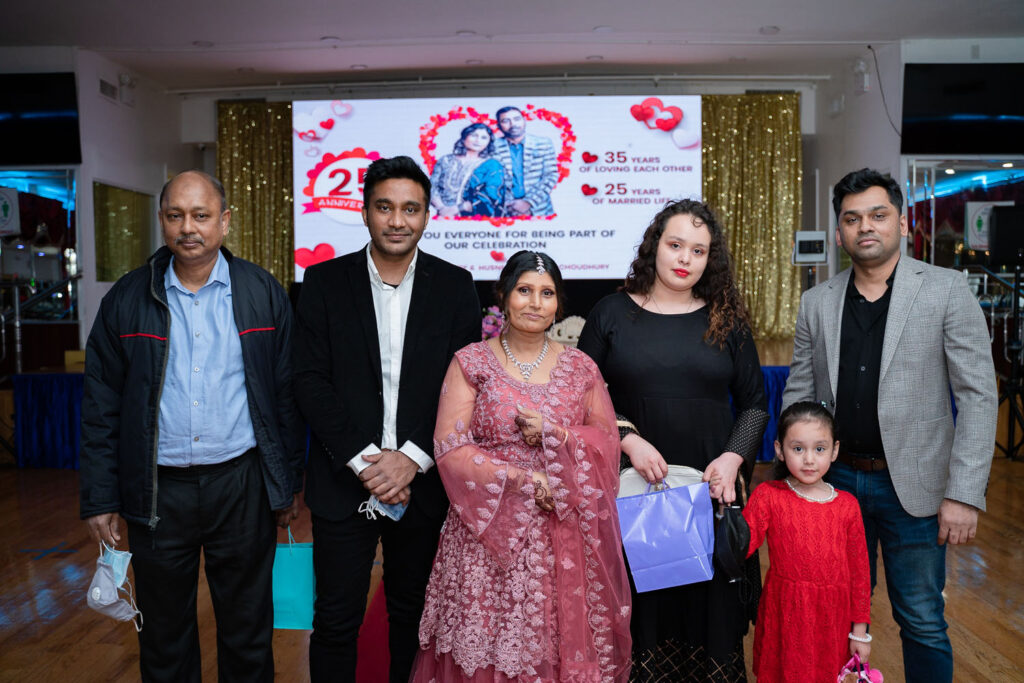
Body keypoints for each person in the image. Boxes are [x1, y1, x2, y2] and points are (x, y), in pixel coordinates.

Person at [79, 170, 303, 682]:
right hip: (158, 490)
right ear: (162, 220)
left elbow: (286, 396)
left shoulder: (262, 292)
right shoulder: (127, 299)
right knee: (163, 635)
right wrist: (99, 496)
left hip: (241, 484)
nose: (188, 228)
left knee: (248, 630)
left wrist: (287, 482)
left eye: (201, 215)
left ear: (224, 221)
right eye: (176, 215)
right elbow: (100, 404)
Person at [782, 168, 997, 683]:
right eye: (852, 218)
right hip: (833, 484)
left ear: (901, 223)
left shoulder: (946, 290)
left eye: (878, 215)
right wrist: (795, 473)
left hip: (915, 489)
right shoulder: (817, 301)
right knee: (834, 617)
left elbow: (978, 396)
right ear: (839, 233)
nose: (865, 227)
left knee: (921, 620)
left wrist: (963, 494)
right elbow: (800, 392)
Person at [293, 155, 481, 683]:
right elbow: (309, 379)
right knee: (335, 622)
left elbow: (463, 386)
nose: (397, 220)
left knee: (414, 621)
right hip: (343, 481)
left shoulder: (455, 285)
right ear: (365, 212)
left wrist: (411, 460)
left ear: (427, 215)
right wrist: (366, 461)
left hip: (424, 486)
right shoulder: (324, 281)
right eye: (384, 207)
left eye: (410, 209)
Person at [413, 250, 632, 682]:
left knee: (555, 646)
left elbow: (606, 443)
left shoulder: (580, 367)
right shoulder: (471, 362)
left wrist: (558, 435)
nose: (535, 303)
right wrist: (525, 480)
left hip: (562, 536)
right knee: (487, 650)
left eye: (547, 293)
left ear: (559, 303)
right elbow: (451, 447)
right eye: (524, 290)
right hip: (486, 535)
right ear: (503, 296)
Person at [578, 199, 768, 682]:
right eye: (675, 244)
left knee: (711, 619)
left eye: (698, 250)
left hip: (709, 493)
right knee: (643, 616)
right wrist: (627, 440)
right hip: (633, 494)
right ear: (654, 247)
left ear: (710, 260)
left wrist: (733, 458)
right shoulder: (611, 312)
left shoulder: (726, 318)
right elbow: (580, 396)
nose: (685, 258)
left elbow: (755, 403)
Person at [742, 402, 871, 683]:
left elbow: (860, 574)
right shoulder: (768, 496)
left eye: (820, 449)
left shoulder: (847, 506)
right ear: (779, 450)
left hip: (832, 621)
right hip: (786, 614)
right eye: (798, 449)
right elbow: (742, 545)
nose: (809, 459)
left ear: (834, 450)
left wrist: (859, 633)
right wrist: (725, 503)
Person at [429, 122, 507, 217]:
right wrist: (442, 208)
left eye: (483, 138)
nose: (478, 140)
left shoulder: (492, 165)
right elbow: (431, 187)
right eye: (474, 135)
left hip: (473, 218)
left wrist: (457, 209)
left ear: (488, 142)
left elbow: (491, 195)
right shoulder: (445, 160)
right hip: (442, 215)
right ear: (464, 137)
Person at [492, 106, 558, 217]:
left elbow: (551, 175)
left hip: (539, 210)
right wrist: (509, 206)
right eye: (506, 121)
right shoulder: (492, 147)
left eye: (517, 119)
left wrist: (528, 203)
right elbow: (491, 181)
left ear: (524, 120)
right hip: (505, 211)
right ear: (498, 125)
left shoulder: (543, 143)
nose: (513, 124)